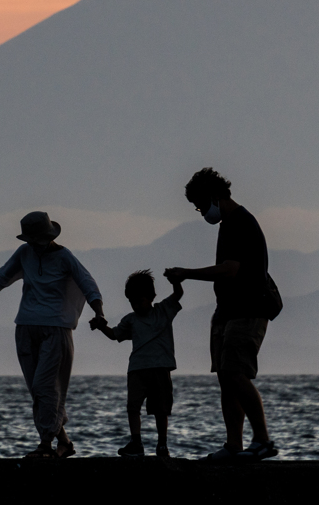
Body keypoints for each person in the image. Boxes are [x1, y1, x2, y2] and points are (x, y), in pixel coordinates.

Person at [0, 211, 104, 459]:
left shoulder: (64, 257)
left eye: (38, 240)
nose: (34, 245)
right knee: (37, 390)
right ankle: (64, 443)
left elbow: (88, 285)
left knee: (44, 386)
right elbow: (1, 277)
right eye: (31, 240)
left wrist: (99, 313)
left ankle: (45, 445)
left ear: (49, 237)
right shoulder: (24, 253)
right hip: (26, 327)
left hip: (55, 328)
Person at [164, 168, 278, 461]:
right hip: (226, 312)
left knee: (235, 373)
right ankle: (233, 445)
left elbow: (230, 270)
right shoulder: (227, 225)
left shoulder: (241, 222)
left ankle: (262, 441)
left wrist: (186, 273)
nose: (202, 212)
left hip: (247, 310)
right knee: (227, 379)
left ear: (215, 196)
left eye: (201, 205)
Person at [90, 269, 184, 458]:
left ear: (151, 297)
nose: (136, 306)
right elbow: (114, 335)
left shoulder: (163, 311)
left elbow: (178, 294)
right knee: (133, 407)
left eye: (140, 301)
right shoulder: (130, 320)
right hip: (137, 370)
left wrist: (175, 281)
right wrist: (101, 326)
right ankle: (136, 443)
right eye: (132, 303)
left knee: (161, 410)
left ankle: (162, 445)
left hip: (160, 369)